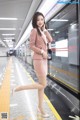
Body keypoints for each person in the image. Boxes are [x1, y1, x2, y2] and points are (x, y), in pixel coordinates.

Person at [13, 12, 53, 118]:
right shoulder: (34, 30)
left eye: (42, 19)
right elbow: (31, 46)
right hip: (39, 59)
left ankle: (40, 108)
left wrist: (45, 30)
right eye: (38, 20)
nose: (40, 21)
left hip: (44, 60)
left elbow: (50, 40)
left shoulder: (42, 31)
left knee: (41, 87)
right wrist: (41, 51)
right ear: (35, 22)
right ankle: (19, 88)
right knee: (43, 85)